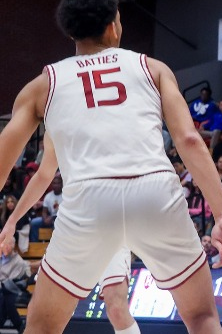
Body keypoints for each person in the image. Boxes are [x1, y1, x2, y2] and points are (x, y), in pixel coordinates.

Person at [0, 0, 222, 333]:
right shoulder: (153, 68)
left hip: (88, 199)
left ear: (71, 33)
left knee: (42, 327)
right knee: (202, 317)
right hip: (155, 190)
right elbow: (190, 139)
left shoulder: (43, 84)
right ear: (114, 26)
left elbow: (4, 160)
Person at [1, 137, 139, 334]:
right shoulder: (62, 122)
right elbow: (43, 176)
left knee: (117, 307)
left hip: (113, 224)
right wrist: (13, 219)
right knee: (38, 316)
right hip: (73, 225)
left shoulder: (119, 126)